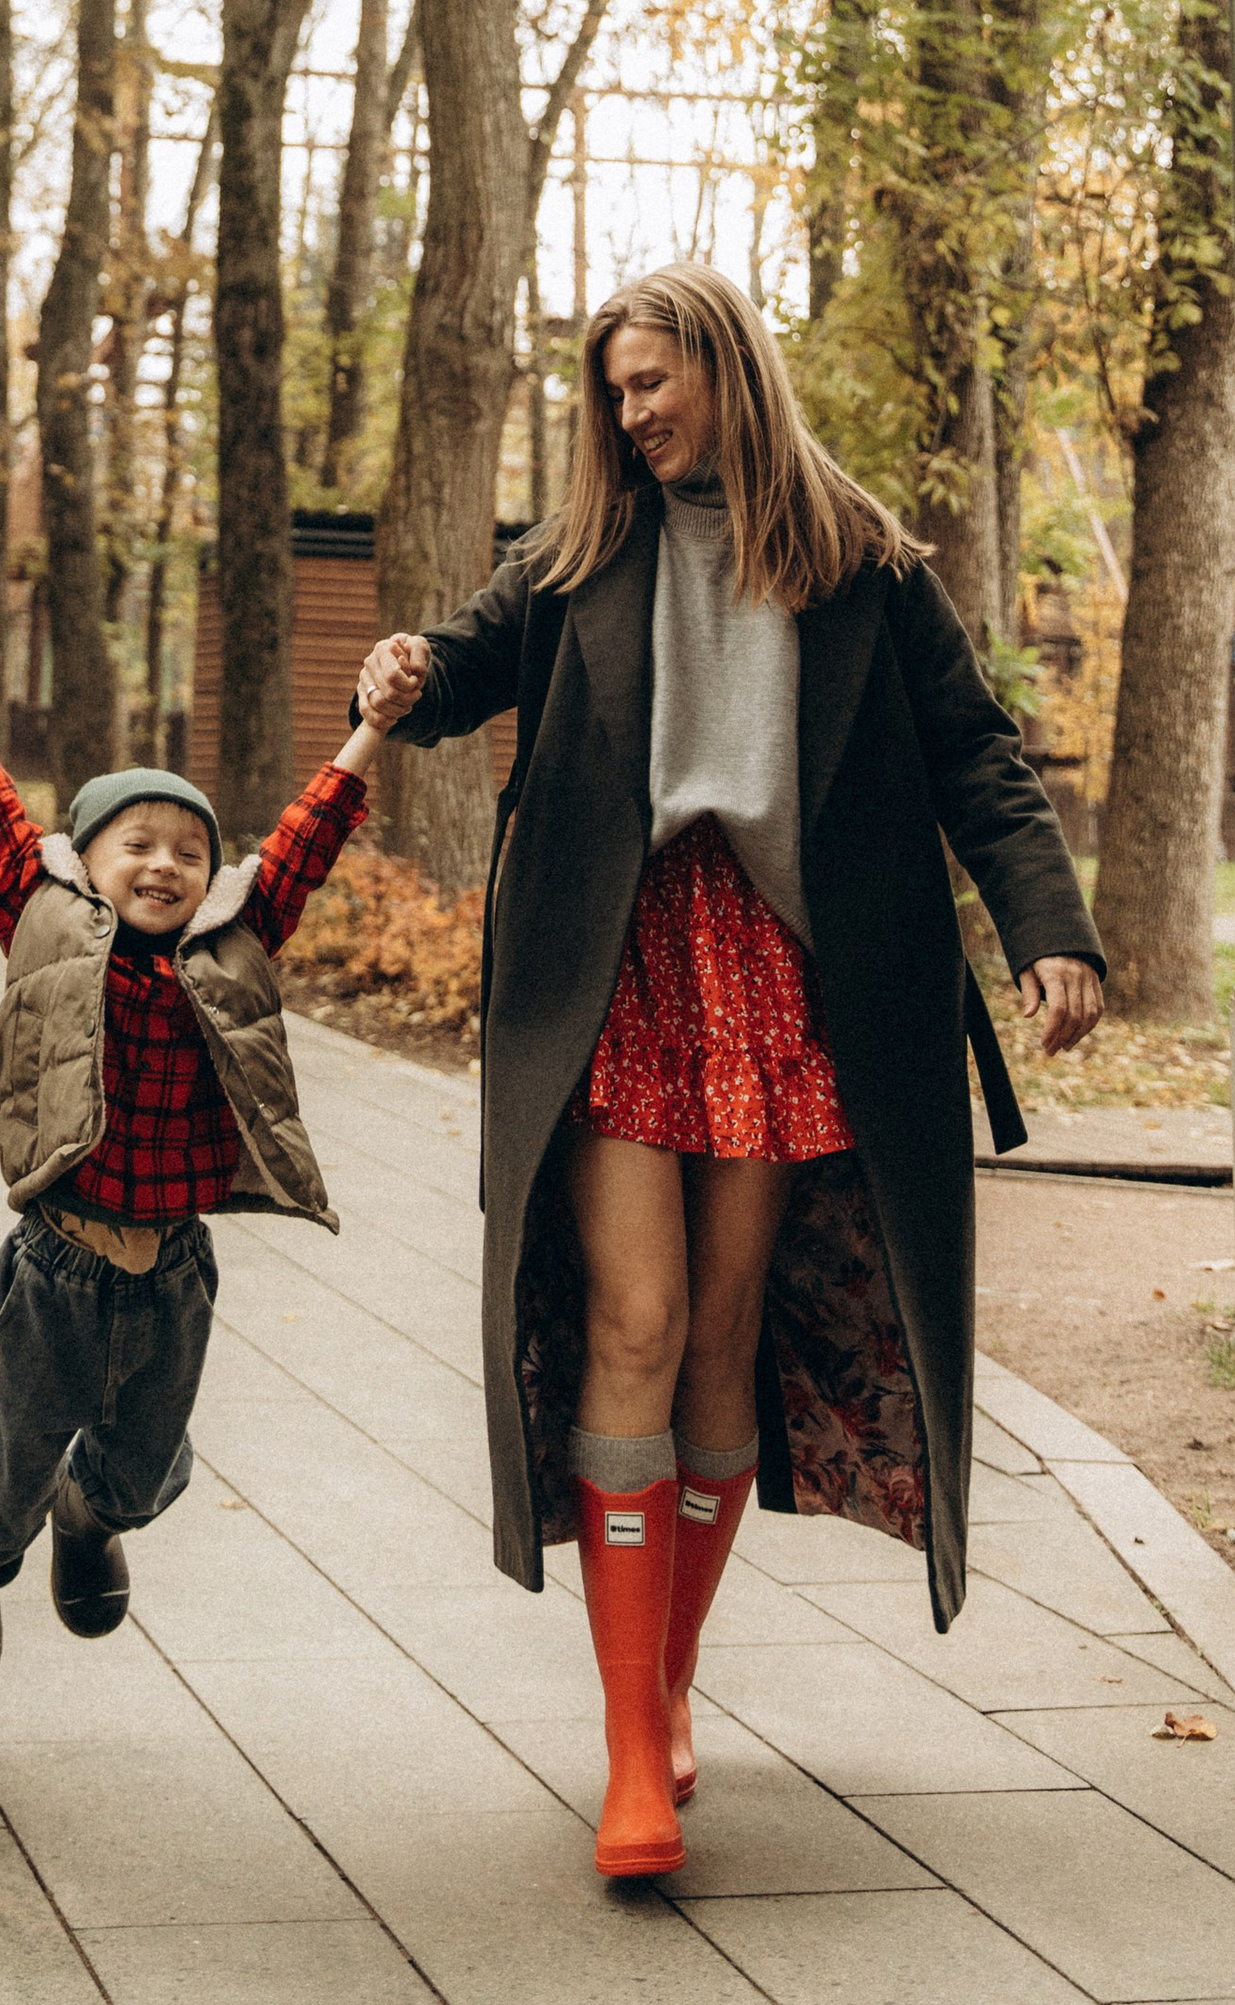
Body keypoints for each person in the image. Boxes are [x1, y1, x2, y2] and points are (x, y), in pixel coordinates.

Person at [356, 261, 1103, 1884]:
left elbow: (977, 750)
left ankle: (670, 1681)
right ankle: (633, 1752)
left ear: (727, 373)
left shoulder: (859, 561)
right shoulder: (579, 556)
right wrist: (408, 666)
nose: (632, 418)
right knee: (632, 1316)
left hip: (780, 972)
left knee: (721, 1335)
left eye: (654, 386)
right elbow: (469, 656)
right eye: (613, 394)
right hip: (619, 962)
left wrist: (1056, 930)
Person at [0, 635, 378, 1686]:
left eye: (188, 851)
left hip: (174, 1268)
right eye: (138, 844)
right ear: (85, 860)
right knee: (7, 1455)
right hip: (55, 1266)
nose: (164, 863)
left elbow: (306, 841)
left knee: (144, 1459)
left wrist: (372, 725)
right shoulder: (41, 915)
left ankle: (93, 1515)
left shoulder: (230, 946)